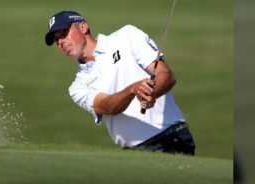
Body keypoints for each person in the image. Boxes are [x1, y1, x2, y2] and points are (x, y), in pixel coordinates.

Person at [45, 10, 195, 155]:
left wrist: (152, 92)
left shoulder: (126, 36)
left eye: (64, 33)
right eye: (56, 40)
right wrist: (132, 90)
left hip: (170, 139)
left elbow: (166, 75)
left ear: (83, 27)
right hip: (132, 154)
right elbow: (107, 107)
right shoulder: (77, 87)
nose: (61, 42)